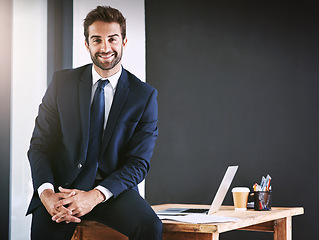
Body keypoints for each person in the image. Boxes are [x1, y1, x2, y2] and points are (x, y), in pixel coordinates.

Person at [27, 6, 162, 240]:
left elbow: (139, 162)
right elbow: (40, 145)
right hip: (62, 190)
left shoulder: (144, 95)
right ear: (87, 44)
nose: (105, 48)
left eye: (112, 39)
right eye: (97, 39)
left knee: (151, 227)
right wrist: (46, 193)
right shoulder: (62, 83)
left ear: (124, 42)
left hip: (111, 191)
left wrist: (95, 195)